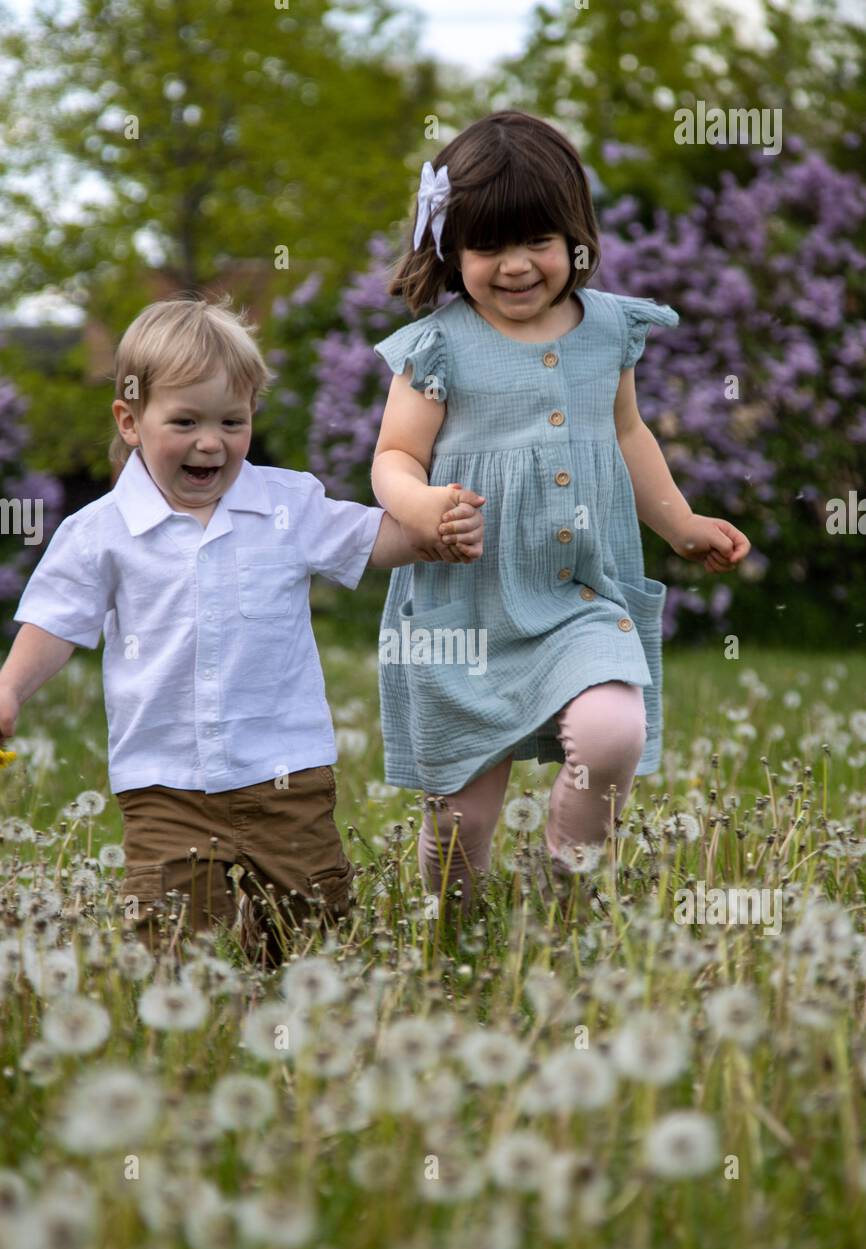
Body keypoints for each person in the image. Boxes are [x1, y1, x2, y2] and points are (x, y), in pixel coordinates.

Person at [0, 295, 484, 961]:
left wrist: (437, 528)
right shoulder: (100, 533)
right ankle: (191, 1041)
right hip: (164, 783)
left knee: (312, 938)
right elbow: (55, 620)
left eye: (233, 420)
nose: (211, 442)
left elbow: (374, 539)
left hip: (287, 776)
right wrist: (11, 688)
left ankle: (288, 1017)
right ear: (130, 419)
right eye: (186, 421)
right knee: (170, 946)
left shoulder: (287, 505)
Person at [371, 110, 751, 913]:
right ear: (450, 249)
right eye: (487, 247)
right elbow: (393, 459)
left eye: (538, 241)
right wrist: (426, 507)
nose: (515, 267)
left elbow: (627, 433)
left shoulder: (609, 328)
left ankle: (559, 893)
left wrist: (680, 524)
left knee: (614, 732)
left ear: (576, 237)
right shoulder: (438, 345)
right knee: (460, 821)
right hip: (463, 606)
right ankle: (456, 931)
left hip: (578, 593)